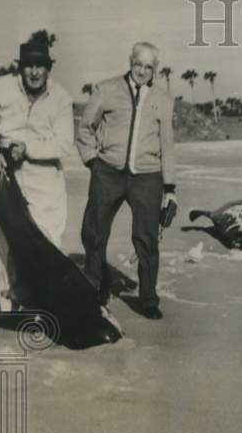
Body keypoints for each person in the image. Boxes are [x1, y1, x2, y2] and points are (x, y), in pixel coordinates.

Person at [0, 40, 75, 313]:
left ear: (48, 68)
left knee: (48, 243)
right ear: (21, 68)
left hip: (45, 180)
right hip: (7, 176)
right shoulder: (2, 89)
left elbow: (64, 144)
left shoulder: (61, 98)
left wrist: (29, 150)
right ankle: (9, 303)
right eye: (28, 66)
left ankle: (44, 304)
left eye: (40, 66)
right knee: (7, 243)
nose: (34, 72)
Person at [76, 42, 177, 320]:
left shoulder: (164, 99)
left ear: (154, 69)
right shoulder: (106, 89)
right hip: (108, 172)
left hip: (148, 177)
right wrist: (93, 161)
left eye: (148, 66)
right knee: (94, 232)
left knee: (146, 240)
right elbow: (85, 128)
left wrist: (170, 188)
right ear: (130, 61)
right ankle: (94, 289)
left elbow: (167, 145)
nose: (142, 71)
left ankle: (148, 299)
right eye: (138, 64)